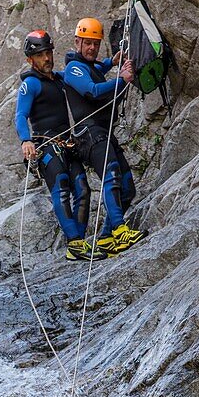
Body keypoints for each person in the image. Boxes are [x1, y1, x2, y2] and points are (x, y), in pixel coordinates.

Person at [15, 30, 103, 262]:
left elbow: (84, 75)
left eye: (48, 53)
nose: (47, 58)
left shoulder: (60, 79)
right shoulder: (30, 84)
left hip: (67, 142)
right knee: (62, 190)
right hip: (45, 145)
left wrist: (108, 64)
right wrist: (26, 140)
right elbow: (20, 115)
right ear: (30, 60)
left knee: (83, 189)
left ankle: (79, 244)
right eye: (41, 55)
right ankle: (74, 243)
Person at [63, 18, 145, 257]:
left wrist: (113, 63)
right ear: (77, 42)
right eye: (87, 43)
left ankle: (107, 238)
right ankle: (120, 230)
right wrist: (121, 78)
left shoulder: (91, 68)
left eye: (96, 44)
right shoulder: (73, 68)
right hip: (89, 134)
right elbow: (93, 90)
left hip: (104, 131)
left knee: (127, 187)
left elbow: (98, 71)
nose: (92, 48)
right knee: (111, 176)